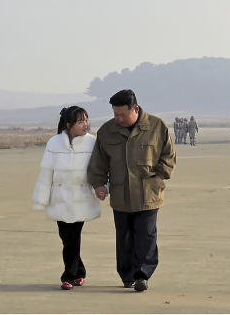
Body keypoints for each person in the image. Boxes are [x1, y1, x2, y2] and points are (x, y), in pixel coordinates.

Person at [88, 89, 176, 292]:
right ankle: (127, 275)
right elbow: (98, 162)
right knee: (124, 237)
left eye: (122, 114)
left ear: (135, 109)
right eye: (115, 114)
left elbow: (168, 154)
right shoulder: (107, 131)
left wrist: (160, 175)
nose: (118, 118)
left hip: (148, 193)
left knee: (146, 235)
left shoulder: (156, 126)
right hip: (121, 194)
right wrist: (99, 184)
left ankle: (142, 275)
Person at [32, 106, 101, 290]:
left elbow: (98, 170)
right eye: (80, 121)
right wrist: (41, 198)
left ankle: (68, 276)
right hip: (59, 198)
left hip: (81, 197)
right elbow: (47, 172)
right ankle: (79, 270)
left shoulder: (92, 142)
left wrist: (101, 188)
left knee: (73, 236)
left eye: (86, 120)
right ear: (69, 124)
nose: (85, 124)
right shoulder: (54, 143)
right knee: (65, 236)